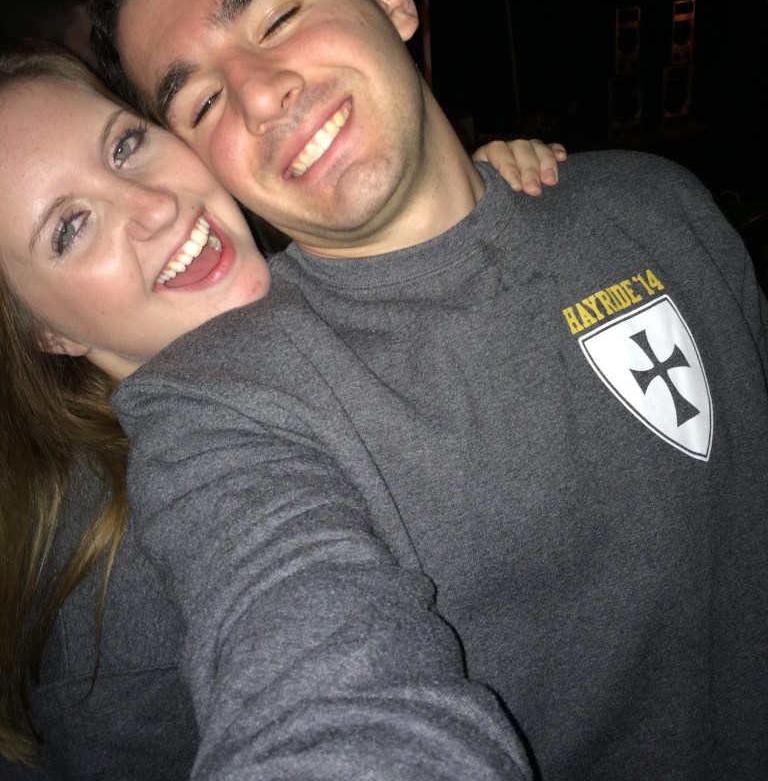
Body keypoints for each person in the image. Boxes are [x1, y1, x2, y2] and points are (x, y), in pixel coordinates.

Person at [86, 0, 768, 781]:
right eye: (201, 103)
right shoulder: (224, 404)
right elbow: (307, 667)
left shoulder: (656, 203)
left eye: (277, 18)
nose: (258, 96)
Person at [0, 39, 556, 779]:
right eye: (70, 228)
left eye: (125, 146)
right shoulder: (127, 603)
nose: (154, 207)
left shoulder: (295, 316)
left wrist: (467, 206)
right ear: (48, 333)